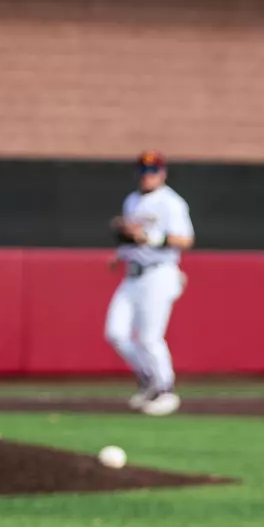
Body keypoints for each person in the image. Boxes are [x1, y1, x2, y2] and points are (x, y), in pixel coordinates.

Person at [105, 150, 193, 417]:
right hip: (133, 273)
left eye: (152, 171)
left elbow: (186, 240)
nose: (147, 176)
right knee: (115, 333)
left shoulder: (171, 203)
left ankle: (166, 390)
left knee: (149, 337)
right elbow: (132, 237)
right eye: (143, 171)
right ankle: (148, 379)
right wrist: (121, 252)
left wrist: (151, 238)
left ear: (162, 173)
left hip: (159, 272)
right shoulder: (131, 200)